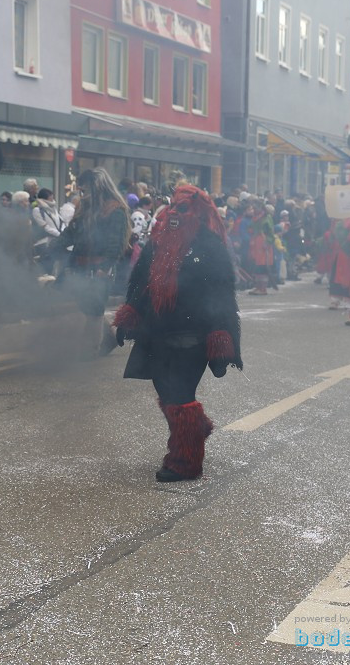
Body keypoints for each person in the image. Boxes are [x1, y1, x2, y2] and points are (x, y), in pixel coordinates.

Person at [112, 184, 242, 482]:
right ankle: (192, 432)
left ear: (197, 212)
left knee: (180, 393)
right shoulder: (158, 241)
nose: (174, 213)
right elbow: (141, 281)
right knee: (166, 392)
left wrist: (222, 339)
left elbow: (223, 294)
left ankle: (186, 462)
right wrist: (128, 317)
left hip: (192, 333)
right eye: (173, 206)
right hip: (156, 332)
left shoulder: (210, 245)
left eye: (182, 208)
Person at [47, 168, 130, 358]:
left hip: (100, 268)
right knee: (81, 303)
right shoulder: (84, 208)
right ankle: (107, 336)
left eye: (85, 190)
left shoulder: (115, 210)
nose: (81, 195)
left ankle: (91, 348)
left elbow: (115, 243)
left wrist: (105, 267)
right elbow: (70, 234)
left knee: (94, 307)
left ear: (97, 187)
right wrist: (50, 248)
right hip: (78, 265)